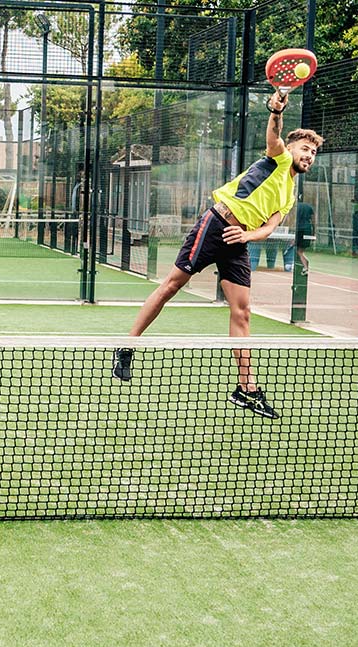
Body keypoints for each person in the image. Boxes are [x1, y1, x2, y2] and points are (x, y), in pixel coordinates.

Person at [112, 90, 323, 419]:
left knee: (243, 312)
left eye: (313, 153)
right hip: (215, 224)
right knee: (171, 285)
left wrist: (246, 235)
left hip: (238, 239)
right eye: (305, 149)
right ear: (293, 147)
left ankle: (246, 389)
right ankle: (127, 345)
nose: (309, 156)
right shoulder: (279, 158)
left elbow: (268, 228)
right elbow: (274, 134)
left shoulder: (290, 193)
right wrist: (276, 109)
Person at [289, 199, 315, 273]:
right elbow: (313, 220)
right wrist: (313, 232)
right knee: (300, 250)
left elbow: (292, 219)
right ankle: (301, 265)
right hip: (307, 229)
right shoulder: (309, 207)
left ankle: (305, 267)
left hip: (300, 229)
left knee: (299, 251)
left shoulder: (295, 207)